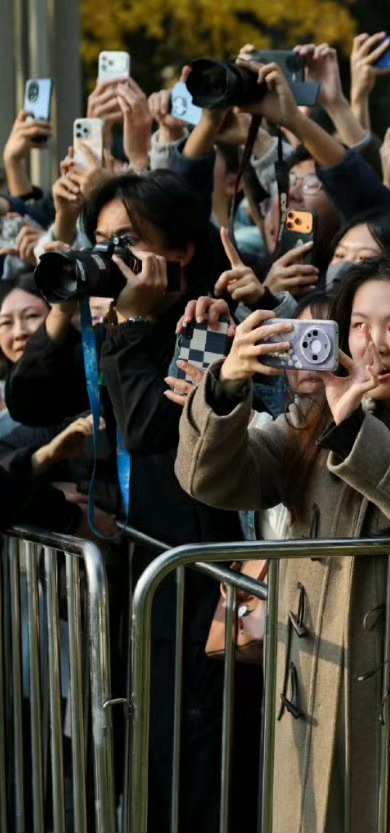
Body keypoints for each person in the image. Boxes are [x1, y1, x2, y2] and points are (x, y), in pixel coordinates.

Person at [175, 248, 390, 831]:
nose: (372, 345)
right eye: (358, 326)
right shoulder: (309, 417)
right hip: (313, 675)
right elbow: (213, 480)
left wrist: (356, 430)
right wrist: (227, 388)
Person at [4, 168, 241, 832]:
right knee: (131, 748)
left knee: (185, 755)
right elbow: (29, 400)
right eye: (103, 242)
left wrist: (133, 323)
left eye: (129, 241)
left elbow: (150, 429)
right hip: (125, 573)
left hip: (190, 579)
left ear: (181, 251)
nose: (113, 258)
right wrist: (62, 309)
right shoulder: (115, 326)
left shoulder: (208, 322)